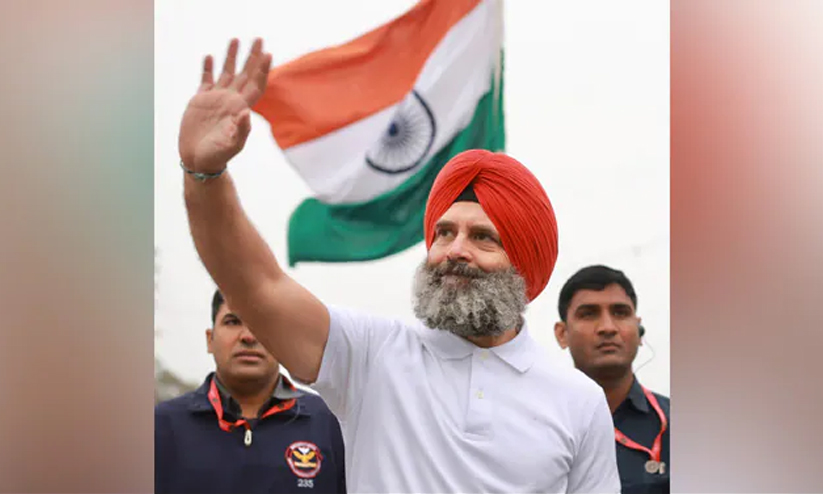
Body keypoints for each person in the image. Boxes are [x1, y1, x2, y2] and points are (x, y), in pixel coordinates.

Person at [176, 37, 620, 493]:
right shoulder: (372, 355)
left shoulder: (579, 401)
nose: (455, 250)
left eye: (482, 237)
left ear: (524, 262)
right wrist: (204, 176)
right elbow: (256, 285)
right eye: (444, 233)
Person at [154, 289, 347, 494]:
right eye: (232, 322)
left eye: (263, 323)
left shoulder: (332, 423)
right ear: (210, 339)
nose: (248, 336)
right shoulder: (160, 427)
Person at [554, 265, 670, 494]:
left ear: (639, 330)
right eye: (589, 314)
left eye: (620, 313)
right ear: (562, 334)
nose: (607, 328)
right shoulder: (536, 425)